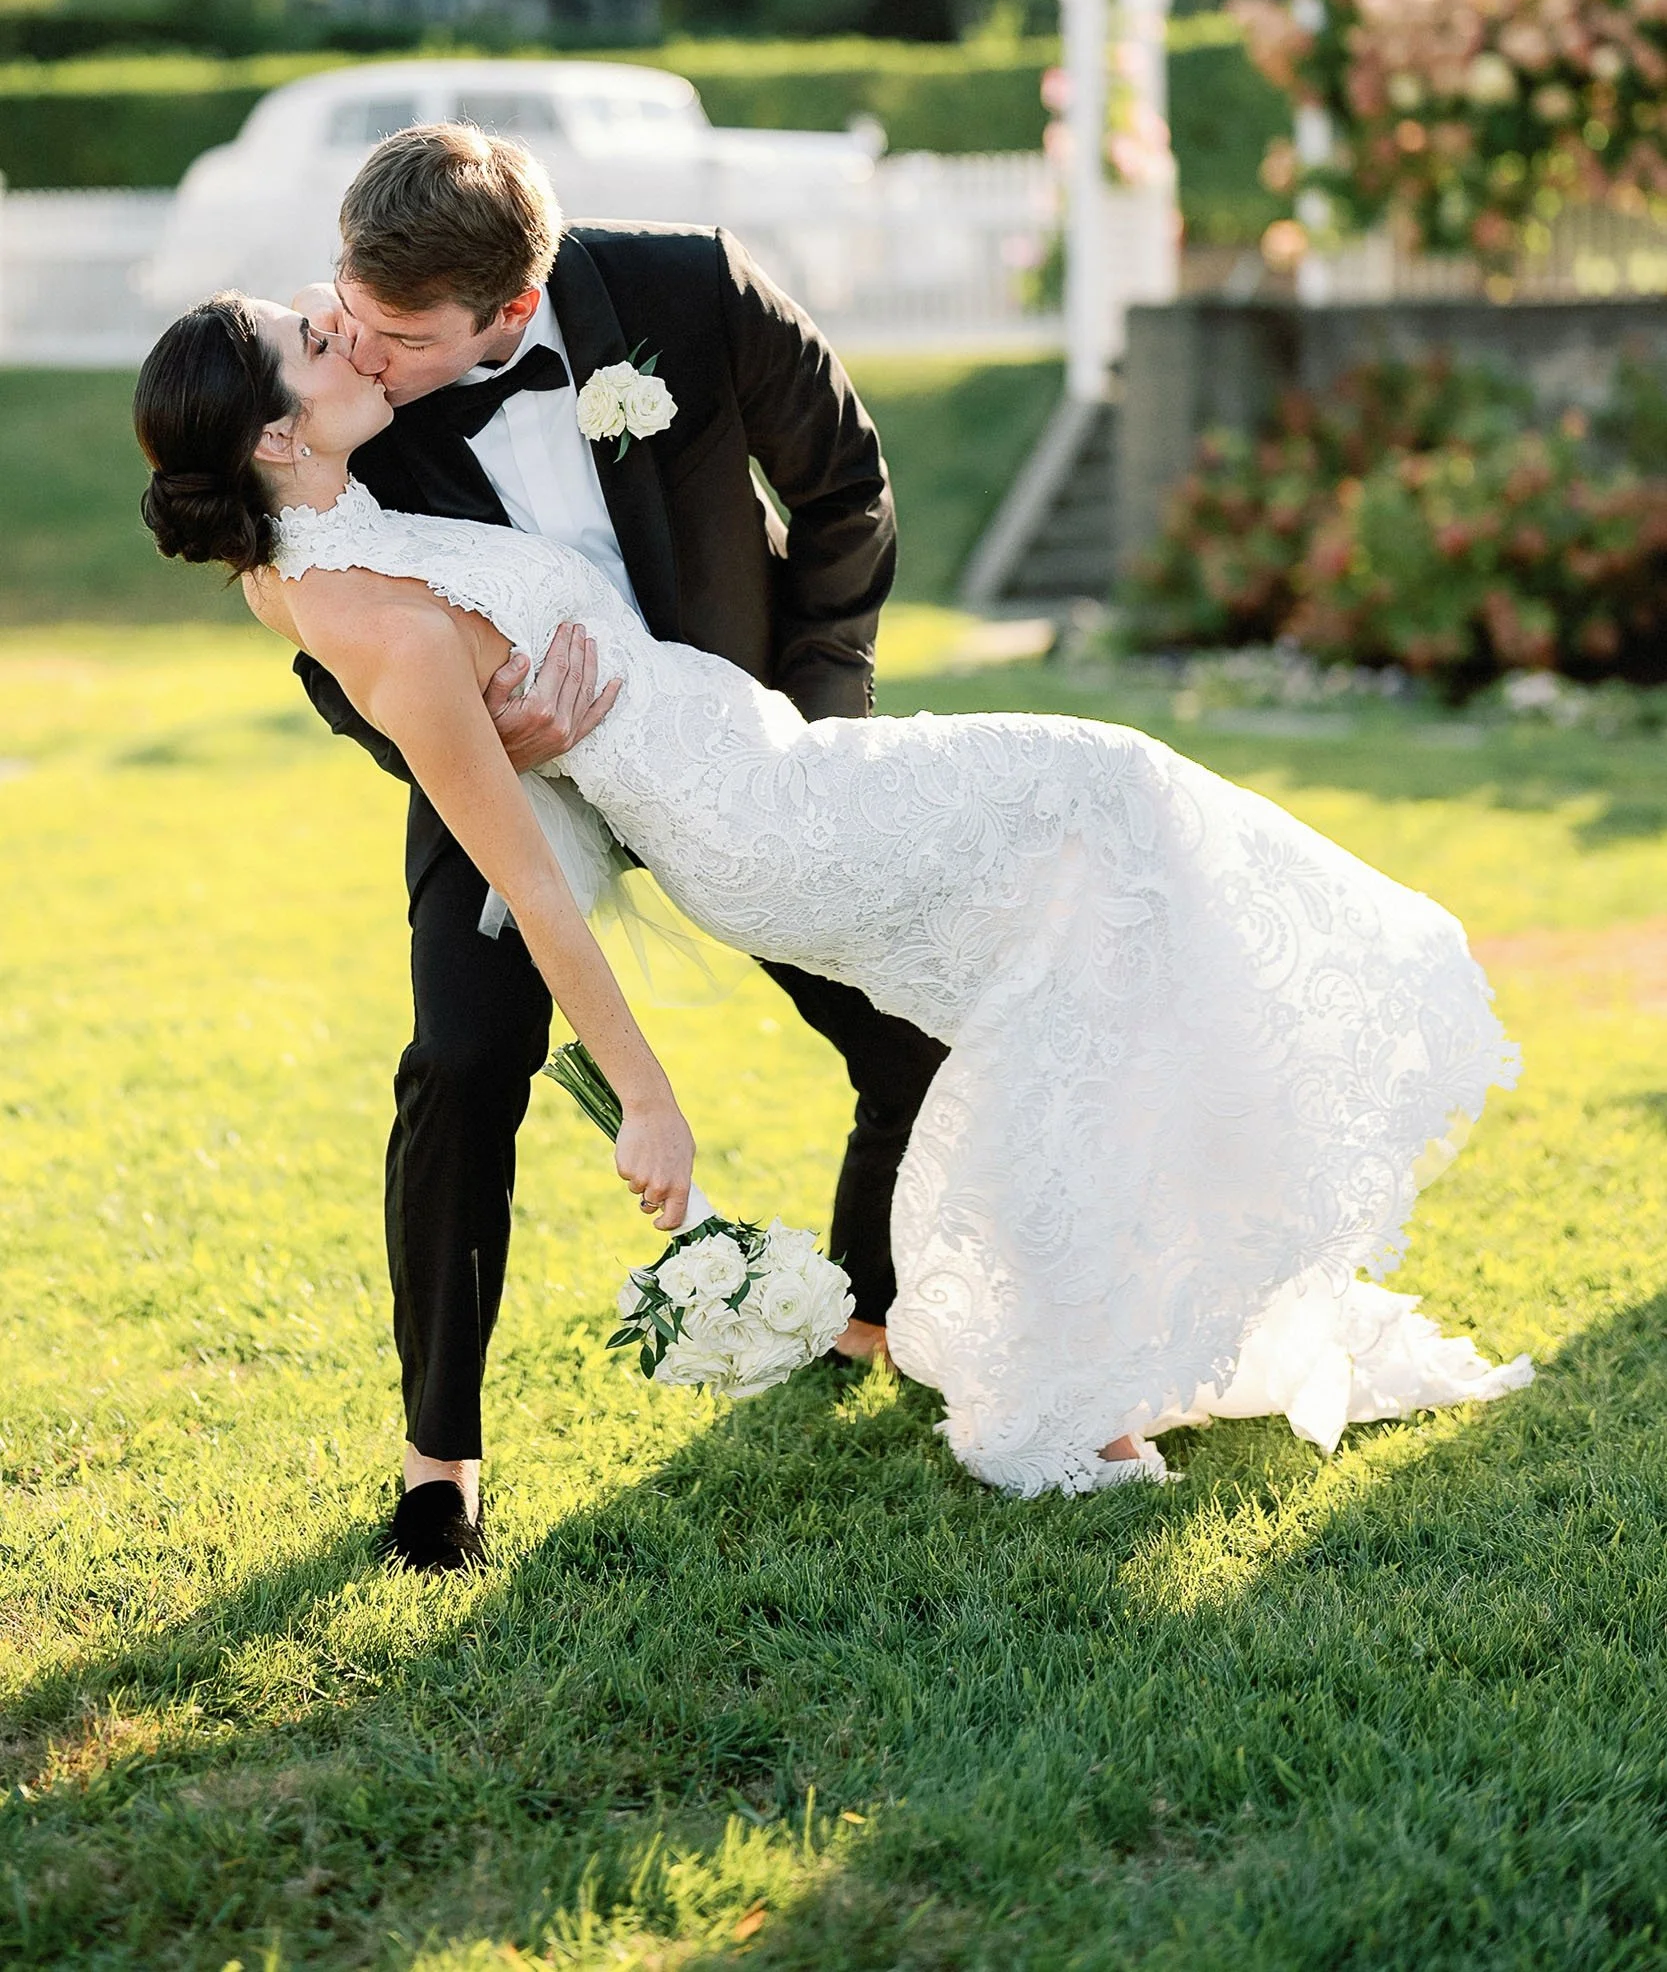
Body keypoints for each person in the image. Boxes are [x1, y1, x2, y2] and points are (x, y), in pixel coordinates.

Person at [133, 272, 1532, 1559]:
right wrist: (647, 1098)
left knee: (1083, 926)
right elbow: (529, 879)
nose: (334, 315)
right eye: (310, 339)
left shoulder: (322, 529)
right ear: (270, 440)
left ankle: (1117, 1326)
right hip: (759, 819)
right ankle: (1083, 1369)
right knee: (1111, 803)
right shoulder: (369, 619)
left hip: (781, 760)